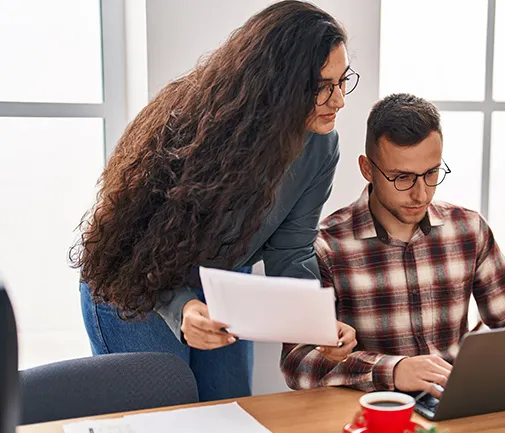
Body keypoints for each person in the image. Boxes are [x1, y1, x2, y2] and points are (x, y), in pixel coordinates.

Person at [71, 1, 357, 402]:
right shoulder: (191, 128)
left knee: (230, 413)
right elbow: (136, 250)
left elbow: (291, 253)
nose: (339, 100)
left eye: (343, 80)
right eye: (322, 87)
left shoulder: (321, 148)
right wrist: (183, 308)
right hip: (135, 283)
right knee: (165, 421)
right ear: (278, 83)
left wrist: (316, 325)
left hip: (221, 283)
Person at [281, 94, 505, 398]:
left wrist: (492, 361)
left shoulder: (469, 229)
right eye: (402, 178)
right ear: (367, 169)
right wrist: (392, 370)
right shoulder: (326, 245)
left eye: (431, 174)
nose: (420, 194)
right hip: (373, 413)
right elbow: (298, 362)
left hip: (455, 403)